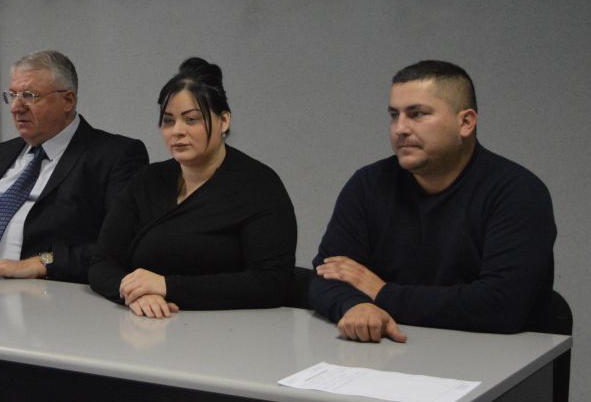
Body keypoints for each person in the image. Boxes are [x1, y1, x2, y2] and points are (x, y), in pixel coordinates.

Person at [310, 60, 557, 343]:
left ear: (466, 122)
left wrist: (381, 293)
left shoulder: (517, 192)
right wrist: (355, 305)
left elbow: (500, 306)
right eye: (394, 115)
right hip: (390, 351)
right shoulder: (368, 184)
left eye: (417, 114)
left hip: (493, 357)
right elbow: (325, 276)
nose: (400, 128)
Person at [89, 58, 297, 318]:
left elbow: (270, 283)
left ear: (223, 121)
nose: (177, 131)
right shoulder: (147, 180)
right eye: (168, 121)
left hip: (233, 330)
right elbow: (102, 262)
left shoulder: (259, 185)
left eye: (191, 120)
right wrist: (134, 293)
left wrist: (167, 286)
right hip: (149, 326)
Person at [0, 50, 148, 282]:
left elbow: (120, 245)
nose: (15, 107)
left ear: (68, 101)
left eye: (29, 96)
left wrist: (42, 263)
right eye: (12, 95)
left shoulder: (115, 155)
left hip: (40, 292)